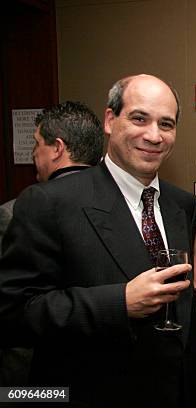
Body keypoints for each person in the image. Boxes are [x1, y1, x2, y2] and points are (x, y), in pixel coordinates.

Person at [0, 74, 196, 407]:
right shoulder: (50, 202)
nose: (154, 135)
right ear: (110, 120)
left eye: (166, 124)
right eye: (139, 118)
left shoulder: (181, 205)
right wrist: (119, 303)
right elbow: (14, 315)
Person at [0, 100, 104, 386]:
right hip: (103, 372)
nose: (34, 154)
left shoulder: (18, 209)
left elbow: (11, 308)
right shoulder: (124, 210)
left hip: (34, 372)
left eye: (37, 144)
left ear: (57, 148)